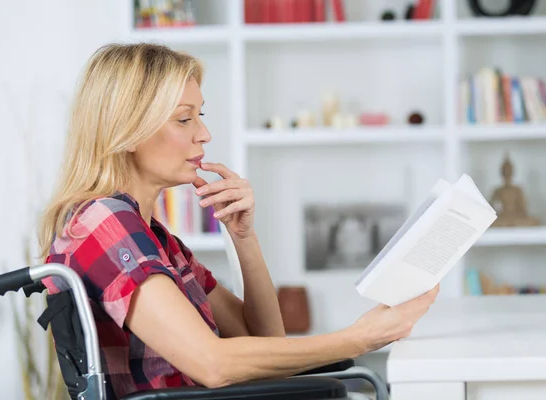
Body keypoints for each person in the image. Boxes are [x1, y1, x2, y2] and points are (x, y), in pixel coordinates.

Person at [38, 43, 439, 399]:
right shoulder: (102, 223)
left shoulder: (155, 238)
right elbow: (212, 363)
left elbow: (265, 342)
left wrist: (244, 236)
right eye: (184, 119)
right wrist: (359, 339)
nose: (205, 133)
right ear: (127, 132)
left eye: (200, 116)